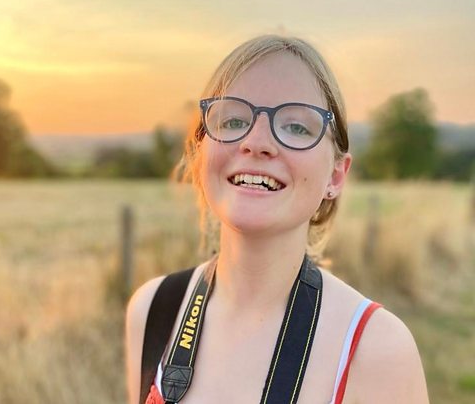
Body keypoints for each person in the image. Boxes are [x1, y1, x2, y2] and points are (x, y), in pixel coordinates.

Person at [125, 35, 430, 404]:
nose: (256, 141)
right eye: (233, 119)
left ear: (336, 176)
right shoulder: (154, 310)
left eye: (296, 127)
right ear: (201, 152)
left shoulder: (376, 350)